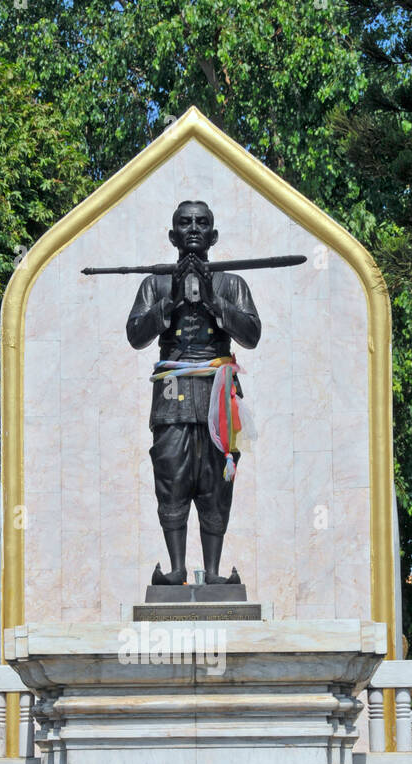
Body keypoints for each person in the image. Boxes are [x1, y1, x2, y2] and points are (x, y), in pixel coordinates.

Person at [125, 200, 261, 586]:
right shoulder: (154, 283)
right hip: (172, 390)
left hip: (218, 391)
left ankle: (215, 572)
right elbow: (136, 335)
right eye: (185, 223)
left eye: (202, 223)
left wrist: (214, 302)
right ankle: (177, 569)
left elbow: (251, 335)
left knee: (216, 477)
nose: (194, 229)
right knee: (171, 473)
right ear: (173, 235)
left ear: (214, 236)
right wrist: (172, 302)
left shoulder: (232, 284)